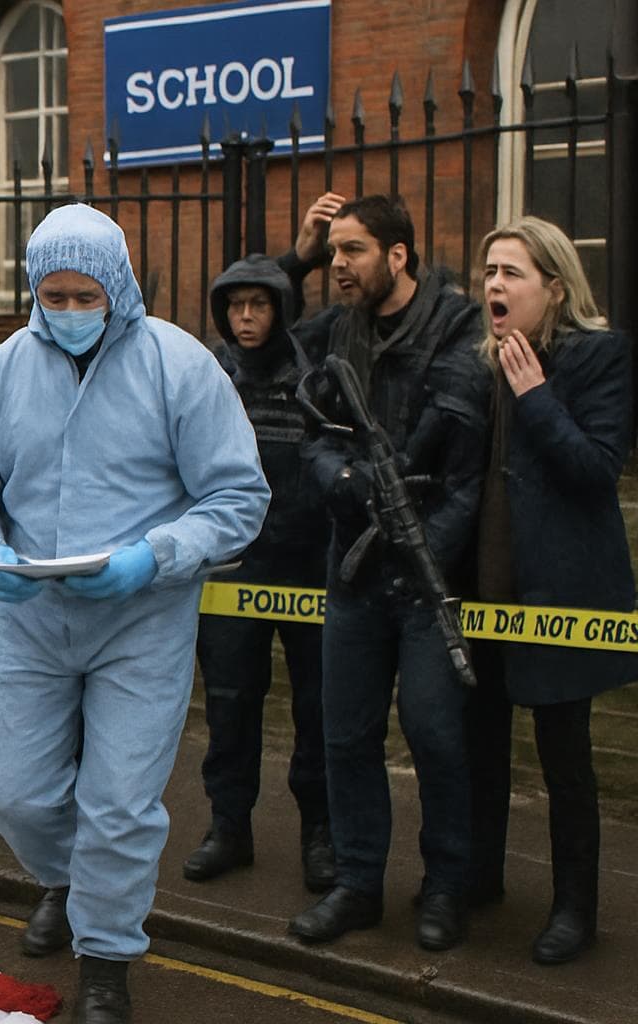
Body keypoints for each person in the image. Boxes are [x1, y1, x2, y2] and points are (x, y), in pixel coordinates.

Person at [0, 203, 269, 1023]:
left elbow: (239, 496)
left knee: (119, 804)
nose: (72, 309)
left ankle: (106, 963)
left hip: (141, 622)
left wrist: (150, 558)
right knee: (11, 794)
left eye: (88, 294)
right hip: (31, 621)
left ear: (119, 286)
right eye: (55, 294)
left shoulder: (179, 367)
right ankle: (70, 882)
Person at [286, 194, 490, 952]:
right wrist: (342, 482)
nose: (338, 266)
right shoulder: (335, 328)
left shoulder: (459, 328)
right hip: (354, 566)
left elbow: (464, 471)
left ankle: (445, 890)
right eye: (333, 252)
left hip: (430, 575)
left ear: (398, 256)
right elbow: (276, 360)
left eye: (353, 252)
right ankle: (358, 883)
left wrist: (418, 547)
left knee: (436, 735)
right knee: (346, 736)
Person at [465, 216, 636, 965]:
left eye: (512, 273)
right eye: (490, 272)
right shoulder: (479, 361)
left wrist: (536, 396)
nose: (494, 285)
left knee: (564, 759)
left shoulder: (601, 356)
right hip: (485, 584)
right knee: (480, 744)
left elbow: (597, 472)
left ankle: (576, 909)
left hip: (558, 592)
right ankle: (480, 878)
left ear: (556, 288)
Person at [182, 255, 333, 893]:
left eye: (260, 304)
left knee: (317, 709)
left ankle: (320, 835)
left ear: (280, 308)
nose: (246, 317)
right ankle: (229, 827)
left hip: (306, 568)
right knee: (230, 704)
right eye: (236, 305)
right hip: (230, 569)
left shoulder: (313, 373)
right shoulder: (209, 372)